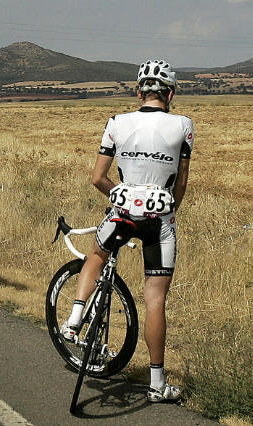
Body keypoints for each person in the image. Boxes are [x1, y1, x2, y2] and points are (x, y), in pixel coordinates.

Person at [61, 60, 194, 403]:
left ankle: (74, 319)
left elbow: (97, 178)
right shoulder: (184, 125)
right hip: (159, 219)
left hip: (122, 212)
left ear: (138, 92)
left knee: (97, 254)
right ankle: (157, 384)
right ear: (171, 94)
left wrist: (122, 195)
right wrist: (166, 208)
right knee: (155, 299)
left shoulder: (116, 123)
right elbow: (180, 185)